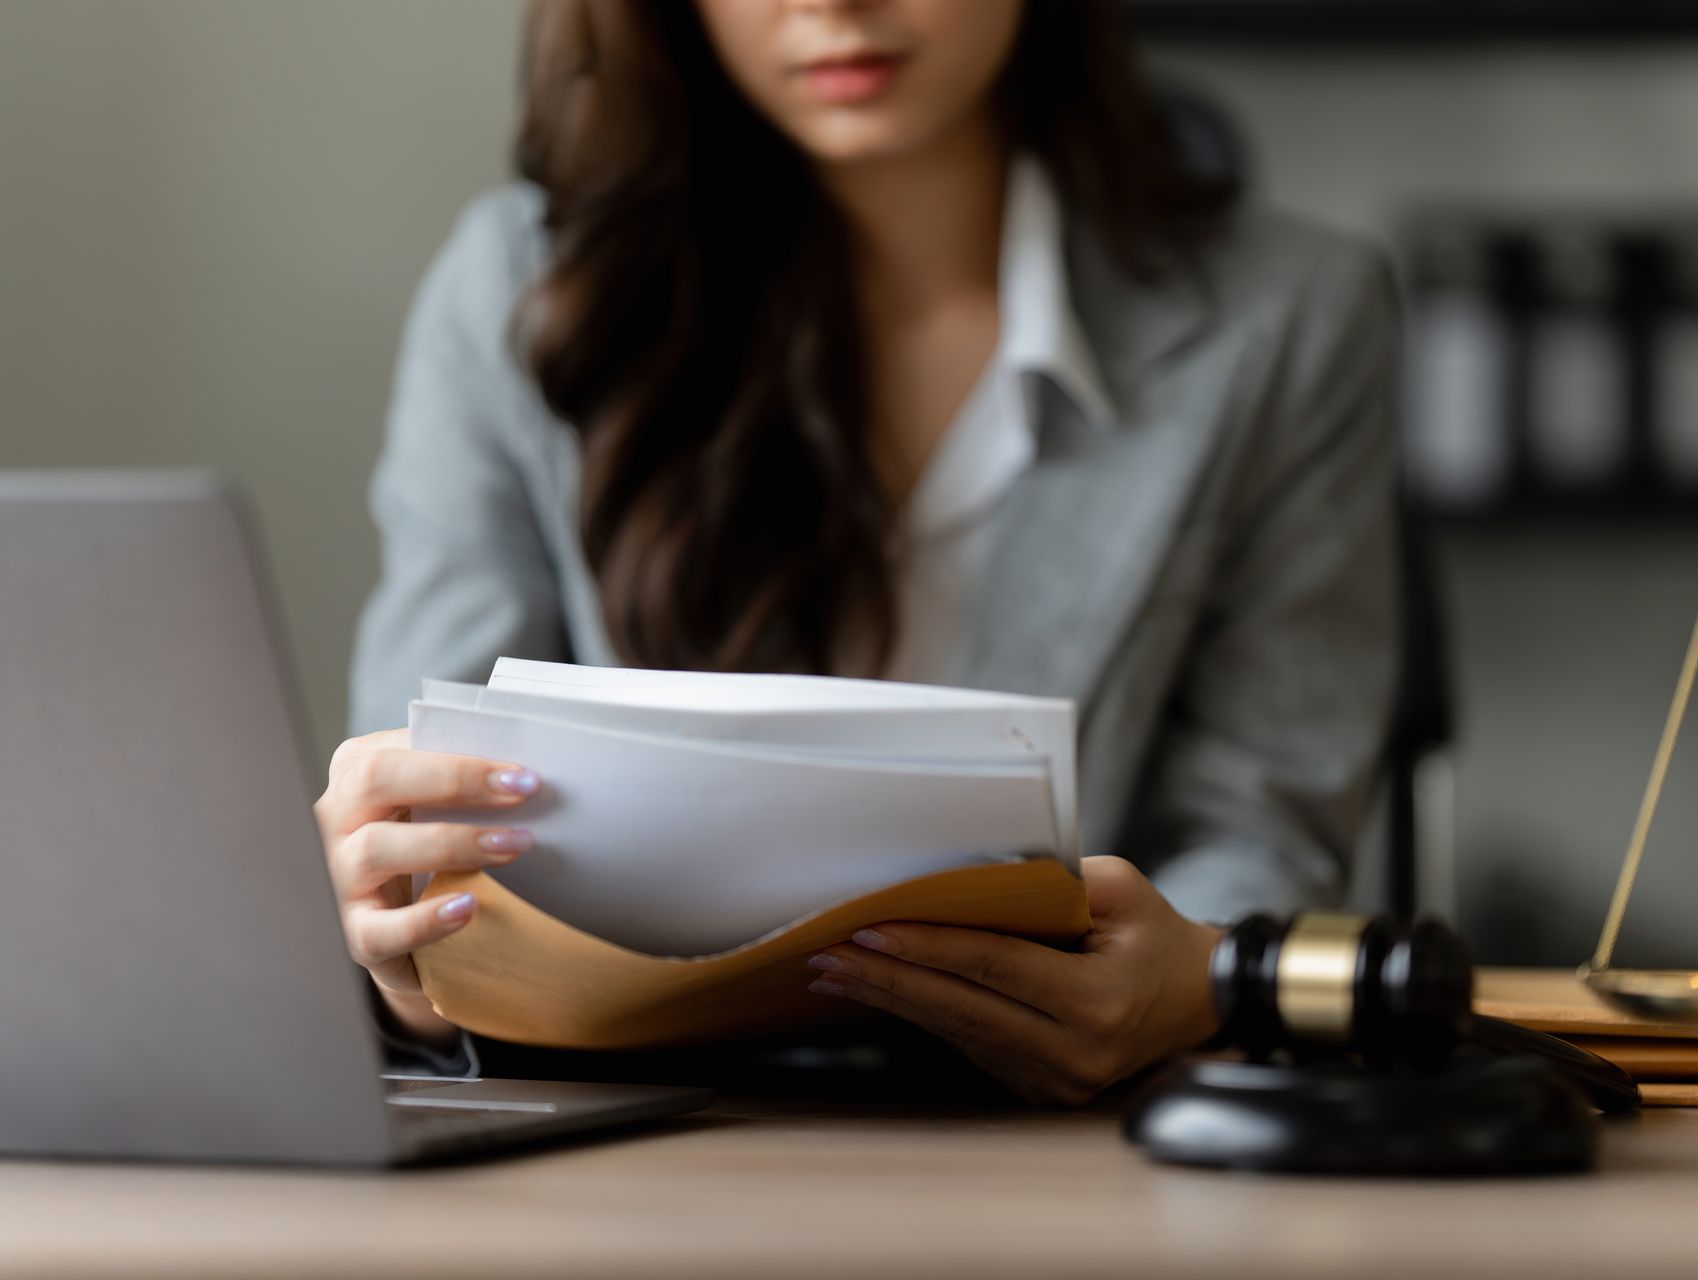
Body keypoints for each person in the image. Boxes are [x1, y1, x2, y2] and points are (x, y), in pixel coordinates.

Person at [316, 0, 1398, 1105]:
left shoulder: (1294, 316)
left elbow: (1256, 821)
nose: (832, 5)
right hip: (632, 1136)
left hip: (1063, 1134)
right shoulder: (520, 292)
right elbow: (428, 805)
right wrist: (414, 967)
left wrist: (1189, 984)